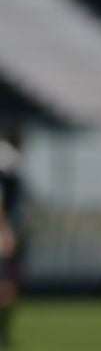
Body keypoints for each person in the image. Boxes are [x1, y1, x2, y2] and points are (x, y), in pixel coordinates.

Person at [0, 127, 25, 349]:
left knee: (9, 287)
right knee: (6, 287)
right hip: (3, 235)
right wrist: (5, 229)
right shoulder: (8, 163)